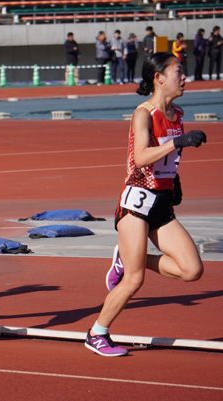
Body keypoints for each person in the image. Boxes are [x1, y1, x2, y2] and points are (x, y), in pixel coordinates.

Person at [85, 53, 207, 357]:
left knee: (192, 270)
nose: (184, 77)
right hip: (137, 201)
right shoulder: (143, 114)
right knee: (134, 279)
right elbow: (140, 157)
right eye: (179, 72)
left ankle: (129, 258)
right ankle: (97, 332)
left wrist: (175, 181)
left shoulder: (177, 114)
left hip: (162, 203)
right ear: (159, 77)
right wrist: (178, 143)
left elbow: (167, 160)